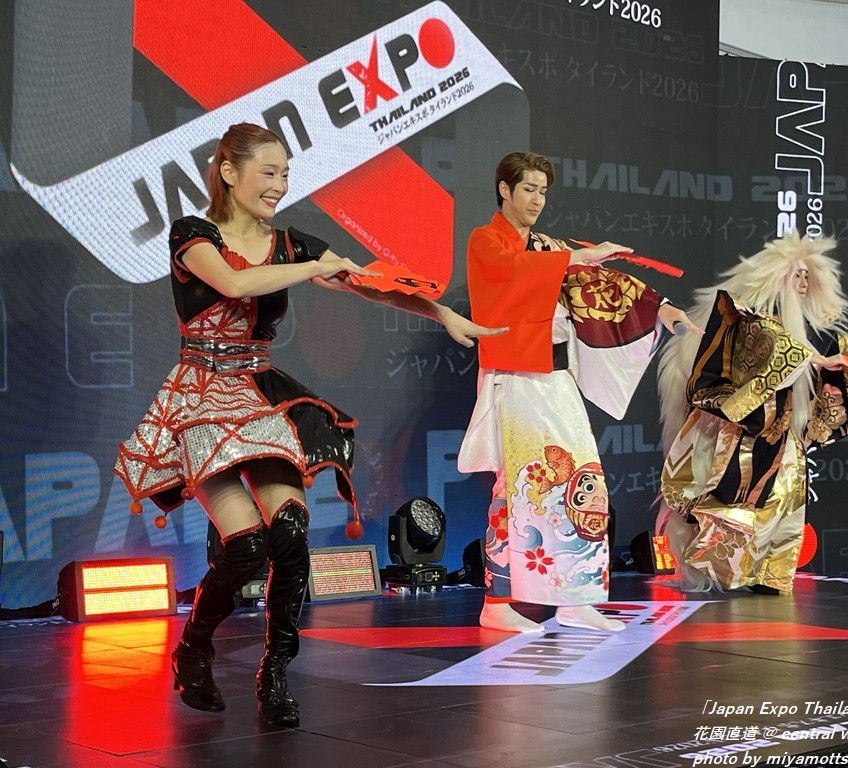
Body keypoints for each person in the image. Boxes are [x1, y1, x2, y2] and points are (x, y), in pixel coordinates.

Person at [113, 123, 502, 727]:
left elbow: (371, 287)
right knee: (245, 546)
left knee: (292, 533)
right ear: (229, 172)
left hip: (260, 396)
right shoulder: (193, 234)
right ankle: (193, 648)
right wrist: (314, 266)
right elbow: (235, 282)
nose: (279, 185)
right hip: (200, 399)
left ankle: (275, 671)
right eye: (268, 173)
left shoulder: (291, 243)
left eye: (285, 175)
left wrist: (441, 312)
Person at [457, 151, 699, 633]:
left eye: (543, 192)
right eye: (529, 189)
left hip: (554, 379)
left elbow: (601, 283)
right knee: (519, 488)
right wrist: (575, 256)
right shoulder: (486, 240)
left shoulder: (548, 248)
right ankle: (497, 601)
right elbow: (513, 272)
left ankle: (575, 597)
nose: (537, 200)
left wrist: (663, 309)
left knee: (581, 484)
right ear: (504, 189)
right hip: (516, 377)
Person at [656, 232, 848, 595]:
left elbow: (847, 348)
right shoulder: (753, 321)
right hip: (746, 431)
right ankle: (725, 567)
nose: (803, 282)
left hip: (783, 432)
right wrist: (816, 358)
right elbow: (778, 350)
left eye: (806, 275)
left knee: (786, 498)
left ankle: (769, 574)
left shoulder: (804, 329)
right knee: (738, 499)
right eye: (796, 275)